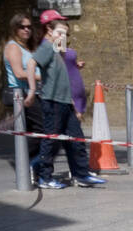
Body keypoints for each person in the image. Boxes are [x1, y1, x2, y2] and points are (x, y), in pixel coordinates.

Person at [31, 10, 105, 188]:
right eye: (60, 31)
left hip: (65, 101)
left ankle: (81, 174)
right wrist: (32, 89)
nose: (64, 35)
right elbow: (31, 64)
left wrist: (72, 102)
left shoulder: (56, 48)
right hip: (53, 101)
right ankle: (44, 177)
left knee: (76, 138)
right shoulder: (46, 47)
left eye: (66, 32)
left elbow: (62, 73)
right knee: (51, 140)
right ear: (49, 28)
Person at [2, 12, 44, 178]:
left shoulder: (29, 47)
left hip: (34, 92)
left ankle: (32, 167)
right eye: (22, 27)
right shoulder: (13, 47)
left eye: (29, 27)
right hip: (21, 94)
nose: (27, 30)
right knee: (42, 129)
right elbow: (19, 73)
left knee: (37, 131)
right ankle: (25, 162)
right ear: (15, 29)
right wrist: (44, 76)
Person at [54, 22, 87, 116]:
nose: (64, 36)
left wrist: (76, 65)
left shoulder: (66, 49)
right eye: (61, 33)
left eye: (66, 34)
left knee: (76, 125)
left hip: (77, 93)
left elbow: (66, 65)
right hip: (67, 93)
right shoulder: (54, 49)